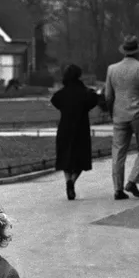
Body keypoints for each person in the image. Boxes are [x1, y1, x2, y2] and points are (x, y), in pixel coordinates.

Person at [104, 35, 139, 200]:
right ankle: (132, 180)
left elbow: (108, 95)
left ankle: (117, 189)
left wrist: (113, 112)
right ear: (137, 51)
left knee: (118, 152)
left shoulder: (112, 69)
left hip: (119, 114)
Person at [50, 64, 99, 199]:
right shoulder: (85, 93)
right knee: (81, 159)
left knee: (66, 158)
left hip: (65, 127)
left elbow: (55, 101)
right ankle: (73, 180)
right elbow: (94, 100)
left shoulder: (61, 94)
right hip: (81, 128)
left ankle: (68, 181)